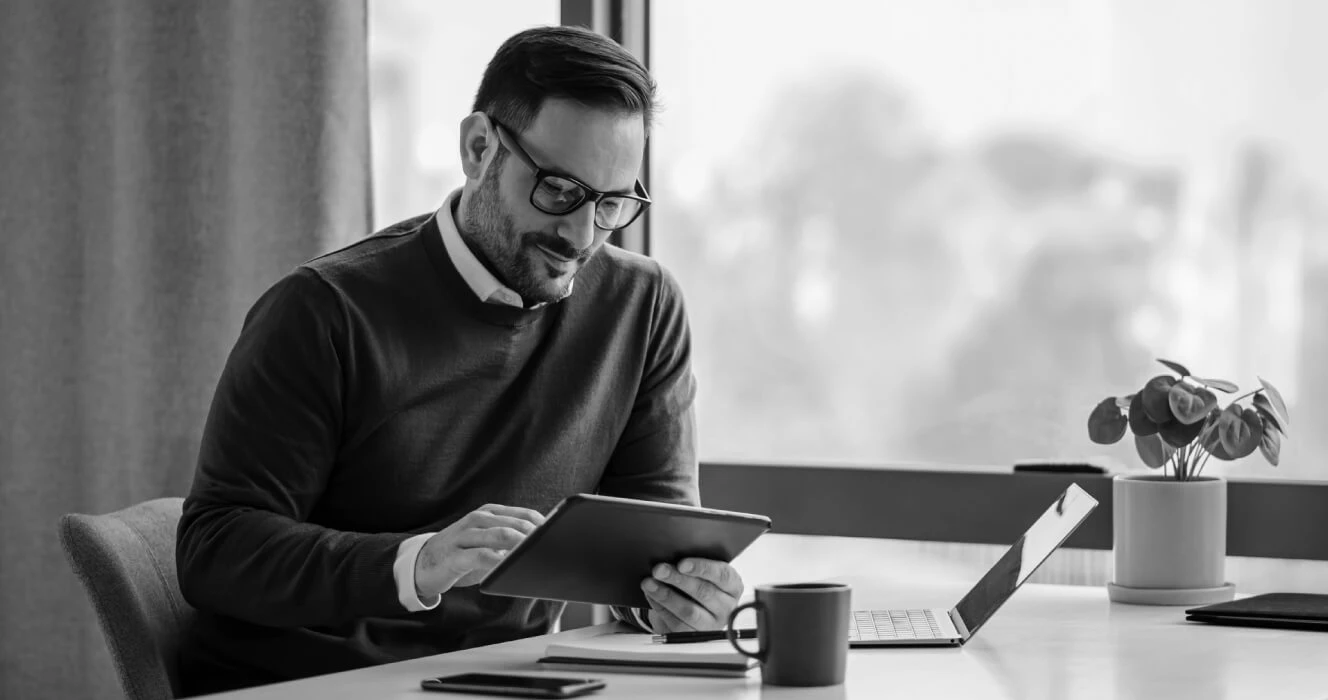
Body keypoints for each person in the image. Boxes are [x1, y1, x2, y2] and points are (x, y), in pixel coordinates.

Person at [175, 25, 744, 695]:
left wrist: (678, 599)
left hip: (510, 681)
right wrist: (417, 562)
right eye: (560, 191)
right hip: (308, 683)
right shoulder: (322, 311)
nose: (581, 234)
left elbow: (652, 550)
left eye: (611, 203)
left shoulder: (642, 307)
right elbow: (215, 549)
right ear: (479, 148)